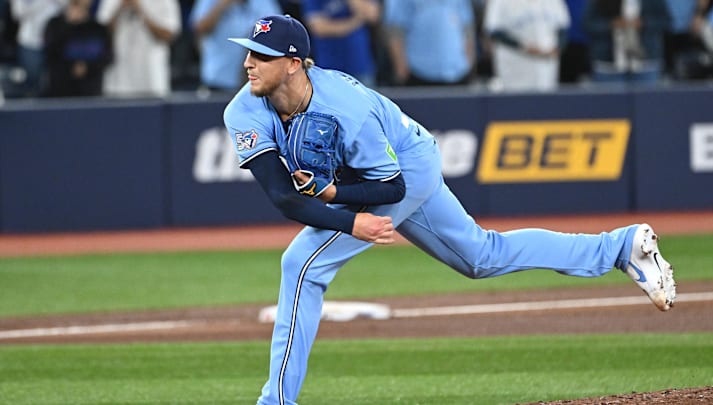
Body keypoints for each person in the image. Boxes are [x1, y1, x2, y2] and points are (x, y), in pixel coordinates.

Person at [223, 14, 677, 405]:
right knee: (481, 257)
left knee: (301, 263)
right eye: (248, 52)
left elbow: (391, 186)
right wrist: (344, 213)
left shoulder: (346, 108)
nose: (248, 63)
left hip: (405, 168)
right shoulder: (244, 110)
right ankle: (621, 246)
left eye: (261, 55)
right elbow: (283, 197)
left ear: (294, 64)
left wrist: (341, 206)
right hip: (368, 180)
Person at [190, 0, 281, 93]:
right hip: (218, 79)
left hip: (254, 82)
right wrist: (222, 4)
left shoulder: (263, 2)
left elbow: (277, 30)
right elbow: (199, 28)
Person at [96, 0, 181, 97]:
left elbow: (168, 35)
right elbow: (100, 34)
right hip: (117, 84)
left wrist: (140, 10)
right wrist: (120, 8)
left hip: (152, 82)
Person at [383, 0, 476, 86]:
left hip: (458, 73)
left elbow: (467, 27)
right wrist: (401, 69)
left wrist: (468, 64)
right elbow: (395, 31)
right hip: (418, 73)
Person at [483, 0, 570, 92]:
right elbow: (494, 31)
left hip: (547, 67)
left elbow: (563, 27)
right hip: (516, 68)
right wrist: (525, 47)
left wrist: (557, 49)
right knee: (516, 100)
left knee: (546, 99)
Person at [583, 0, 671, 86]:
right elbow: (588, 24)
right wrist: (611, 25)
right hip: (608, 65)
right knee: (609, 100)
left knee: (647, 100)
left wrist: (644, 23)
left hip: (646, 63)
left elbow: (666, 22)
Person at [302, 0, 380, 87]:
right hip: (329, 67)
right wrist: (355, 23)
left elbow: (372, 15)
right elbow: (319, 28)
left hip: (360, 64)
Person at [43, 0, 112, 97]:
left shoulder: (98, 28)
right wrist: (69, 25)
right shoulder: (55, 25)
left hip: (91, 92)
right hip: (60, 92)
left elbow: (107, 57)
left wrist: (87, 68)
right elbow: (50, 54)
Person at [9, 0, 68, 97]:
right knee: (33, 81)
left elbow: (67, 7)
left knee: (56, 80)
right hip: (30, 43)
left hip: (55, 41)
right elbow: (17, 13)